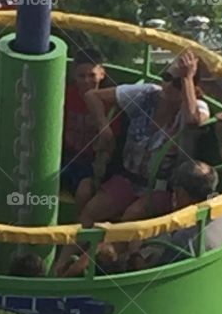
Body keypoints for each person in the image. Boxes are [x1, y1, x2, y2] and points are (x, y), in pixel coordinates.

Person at [80, 50, 209, 225]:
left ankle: (111, 252)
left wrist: (187, 78)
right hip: (128, 179)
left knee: (131, 217)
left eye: (178, 83)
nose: (169, 86)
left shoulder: (197, 107)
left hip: (162, 188)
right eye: (167, 77)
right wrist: (105, 129)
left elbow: (192, 121)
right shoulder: (148, 93)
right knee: (91, 211)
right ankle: (71, 252)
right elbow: (92, 96)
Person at [139, 160, 222, 264]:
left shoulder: (183, 241)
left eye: (175, 190)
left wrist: (135, 255)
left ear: (181, 193)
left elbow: (159, 271)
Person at [60, 52, 121, 212]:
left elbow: (112, 145)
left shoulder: (110, 105)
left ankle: (78, 231)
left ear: (102, 74)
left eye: (91, 75)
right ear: (74, 75)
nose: (86, 81)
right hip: (64, 156)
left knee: (85, 190)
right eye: (81, 76)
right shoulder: (64, 96)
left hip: (90, 162)